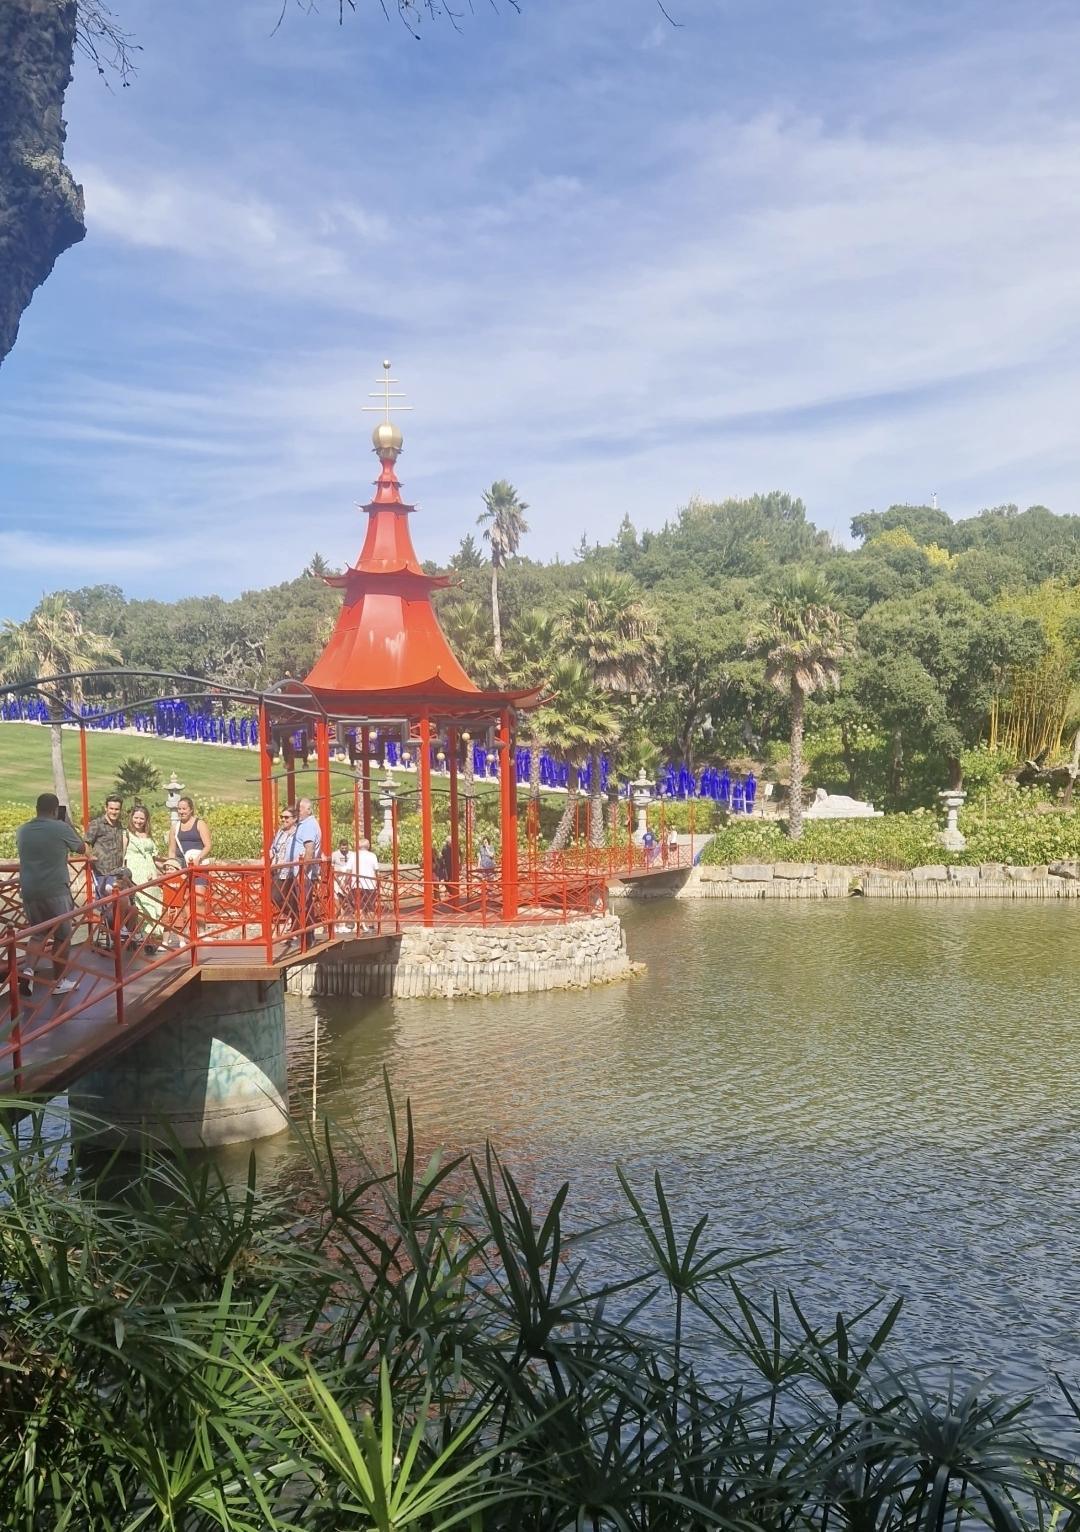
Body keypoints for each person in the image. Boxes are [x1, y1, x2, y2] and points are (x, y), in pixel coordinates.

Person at [16, 792, 90, 996]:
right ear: (55, 809)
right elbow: (83, 848)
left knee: (38, 933)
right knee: (63, 936)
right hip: (56, 889)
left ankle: (28, 969)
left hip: (29, 889)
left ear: (37, 808)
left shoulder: (22, 830)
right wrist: (69, 825)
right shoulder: (61, 828)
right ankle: (60, 981)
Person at [124, 805, 165, 953]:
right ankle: (138, 937)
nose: (139, 821)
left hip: (150, 872)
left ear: (146, 819)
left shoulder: (148, 835)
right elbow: (122, 855)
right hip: (135, 872)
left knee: (153, 904)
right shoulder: (127, 834)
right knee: (139, 905)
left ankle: (152, 939)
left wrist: (166, 866)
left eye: (142, 818)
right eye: (136, 818)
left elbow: (154, 857)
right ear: (131, 818)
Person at [168, 796, 212, 935]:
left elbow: (208, 845)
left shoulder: (199, 824)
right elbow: (172, 850)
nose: (181, 811)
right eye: (179, 809)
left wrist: (199, 858)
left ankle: (202, 929)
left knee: (199, 897)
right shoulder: (175, 827)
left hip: (198, 865)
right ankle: (189, 930)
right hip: (183, 865)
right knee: (186, 898)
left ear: (191, 809)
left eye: (184, 808)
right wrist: (171, 866)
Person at [293, 797, 323, 942]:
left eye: (299, 810)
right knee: (302, 903)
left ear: (308, 810)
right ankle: (305, 934)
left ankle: (305, 935)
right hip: (301, 872)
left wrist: (303, 871)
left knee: (303, 903)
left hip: (304, 873)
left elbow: (309, 849)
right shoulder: (304, 824)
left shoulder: (309, 825)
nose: (297, 812)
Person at [355, 837, 379, 932]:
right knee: (370, 905)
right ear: (368, 846)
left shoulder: (354, 855)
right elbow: (377, 870)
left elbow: (348, 869)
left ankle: (360, 924)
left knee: (359, 905)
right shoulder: (372, 856)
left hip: (357, 884)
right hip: (370, 884)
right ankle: (371, 925)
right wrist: (377, 880)